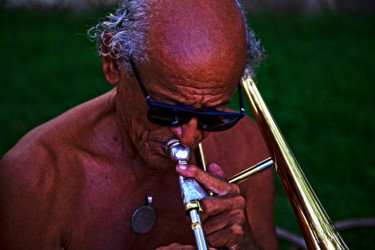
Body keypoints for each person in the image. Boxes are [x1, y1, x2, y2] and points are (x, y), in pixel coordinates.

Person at [0, 0, 277, 249]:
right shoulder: (34, 177)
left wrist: (244, 243)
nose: (190, 138)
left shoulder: (248, 144)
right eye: (167, 111)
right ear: (114, 62)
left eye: (213, 115)